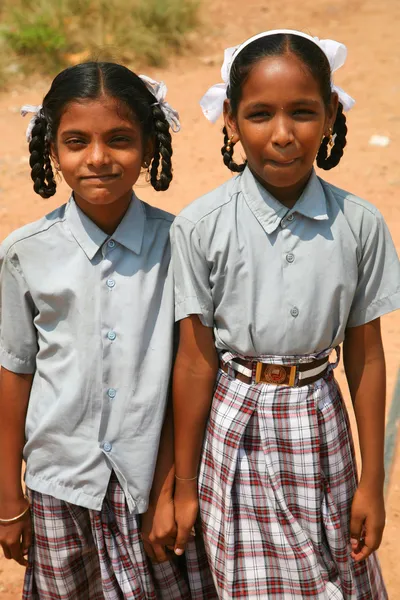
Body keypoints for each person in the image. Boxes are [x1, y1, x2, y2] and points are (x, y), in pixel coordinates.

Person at [171, 29, 400, 599]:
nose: (282, 134)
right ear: (229, 119)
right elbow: (196, 365)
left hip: (323, 430)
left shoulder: (360, 224)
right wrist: (181, 485)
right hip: (236, 436)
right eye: (259, 114)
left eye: (302, 112)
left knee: (337, 580)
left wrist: (372, 483)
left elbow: (366, 355)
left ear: (330, 115)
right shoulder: (200, 227)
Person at [0, 61, 215, 599]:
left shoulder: (180, 245)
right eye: (77, 141)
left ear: (149, 145)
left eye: (119, 139)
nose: (97, 158)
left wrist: (171, 486)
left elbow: (192, 369)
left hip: (150, 482)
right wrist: (8, 496)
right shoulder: (25, 253)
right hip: (59, 482)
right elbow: (15, 372)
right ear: (52, 148)